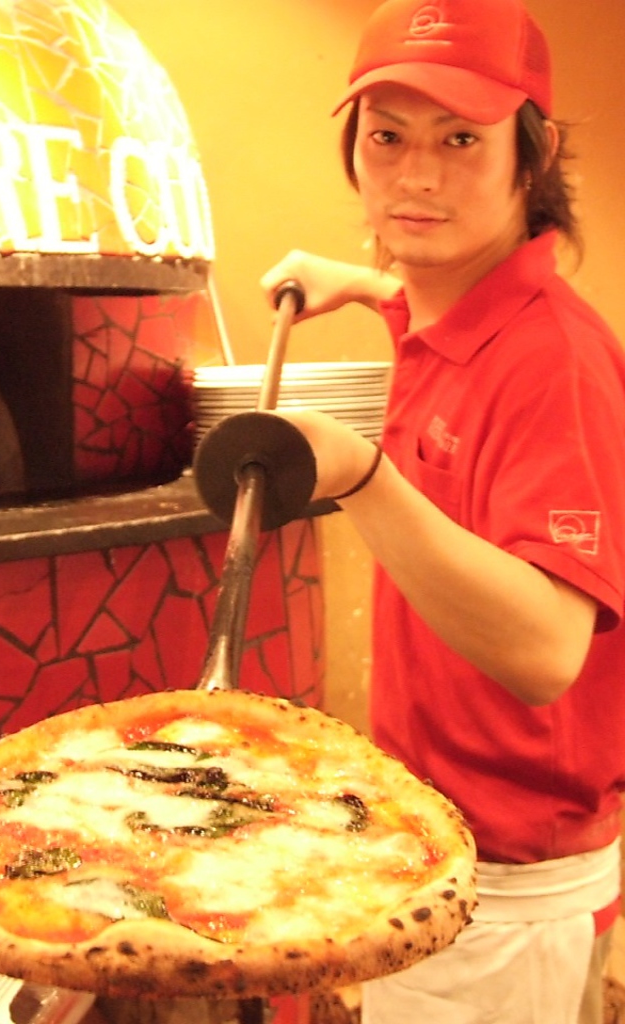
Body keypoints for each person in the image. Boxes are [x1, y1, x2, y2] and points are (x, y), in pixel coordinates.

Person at [258, 0, 625, 1021]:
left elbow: (548, 647)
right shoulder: (445, 305)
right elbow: (420, 300)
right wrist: (362, 282)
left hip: (508, 880)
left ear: (532, 154)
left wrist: (362, 479)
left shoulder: (553, 361)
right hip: (433, 832)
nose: (415, 178)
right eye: (387, 137)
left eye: (460, 139)